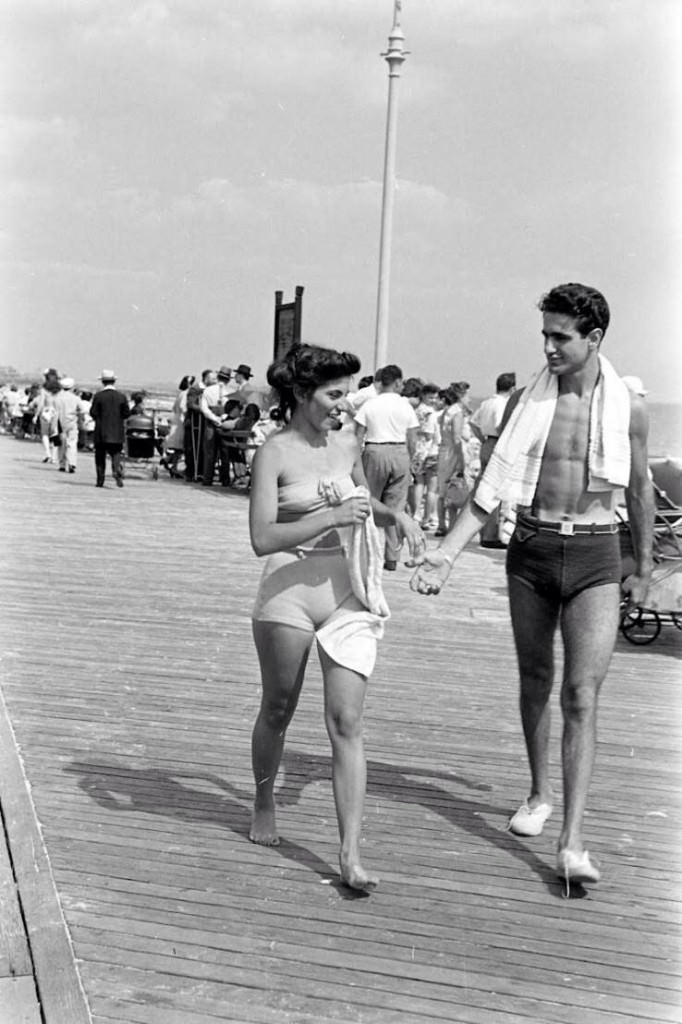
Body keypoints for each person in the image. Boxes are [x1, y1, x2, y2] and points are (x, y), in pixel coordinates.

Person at [411, 283, 654, 892]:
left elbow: (642, 490)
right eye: (543, 334)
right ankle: (539, 793)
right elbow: (491, 486)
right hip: (533, 549)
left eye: (560, 336)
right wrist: (445, 554)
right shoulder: (526, 401)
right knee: (536, 680)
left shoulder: (629, 406)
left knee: (581, 693)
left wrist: (646, 570)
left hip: (598, 552)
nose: (547, 346)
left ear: (594, 338)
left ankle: (572, 841)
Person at [248, 343, 424, 891]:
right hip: (288, 593)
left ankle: (350, 855)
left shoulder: (349, 442)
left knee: (347, 722)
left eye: (348, 393)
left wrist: (398, 517)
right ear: (301, 394)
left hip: (346, 593)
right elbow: (261, 538)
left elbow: (363, 503)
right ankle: (263, 798)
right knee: (278, 708)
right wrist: (328, 513)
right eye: (333, 394)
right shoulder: (273, 453)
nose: (344, 405)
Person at [354, 364, 419, 570]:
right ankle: (392, 556)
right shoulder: (405, 406)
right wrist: (410, 458)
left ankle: (366, 551)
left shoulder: (370, 405)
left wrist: (355, 459)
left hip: (374, 450)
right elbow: (412, 438)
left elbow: (357, 436)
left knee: (369, 501)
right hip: (399, 451)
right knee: (396, 507)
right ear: (399, 382)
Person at [469, 372, 517, 548]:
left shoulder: (486, 403)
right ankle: (491, 534)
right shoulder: (503, 405)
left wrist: (483, 439)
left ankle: (485, 532)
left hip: (487, 442)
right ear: (512, 388)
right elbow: (501, 426)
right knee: (496, 491)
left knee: (485, 488)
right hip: (498, 444)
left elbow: (473, 423)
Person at [435, 386, 471, 536]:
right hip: (453, 453)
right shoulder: (457, 413)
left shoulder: (445, 412)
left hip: (443, 451)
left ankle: (442, 523)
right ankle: (453, 525)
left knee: (443, 490)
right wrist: (461, 460)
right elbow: (457, 437)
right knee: (456, 488)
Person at [89, 370, 130, 487]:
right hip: (117, 432)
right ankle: (116, 469)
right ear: (114, 381)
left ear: (102, 381)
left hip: (101, 432)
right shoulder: (121, 397)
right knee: (116, 454)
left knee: (100, 456)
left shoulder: (98, 396)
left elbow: (93, 412)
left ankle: (100, 479)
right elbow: (126, 413)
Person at [200, 366, 232, 485]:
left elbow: (204, 408)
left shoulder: (207, 391)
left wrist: (213, 418)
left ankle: (207, 478)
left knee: (209, 451)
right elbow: (233, 410)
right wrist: (223, 418)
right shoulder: (231, 392)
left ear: (218, 377)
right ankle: (225, 479)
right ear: (228, 380)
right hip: (225, 422)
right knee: (225, 451)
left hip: (210, 422)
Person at [163, 375, 195, 477]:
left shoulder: (180, 394)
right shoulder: (186, 394)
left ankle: (171, 463)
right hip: (181, 421)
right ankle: (174, 465)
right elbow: (182, 407)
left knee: (178, 447)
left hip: (176, 420)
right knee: (182, 446)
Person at [53, 377, 85, 473]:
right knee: (72, 443)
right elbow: (82, 410)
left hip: (59, 423)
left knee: (61, 444)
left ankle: (62, 464)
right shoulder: (75, 398)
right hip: (71, 423)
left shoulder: (56, 398)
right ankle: (72, 463)